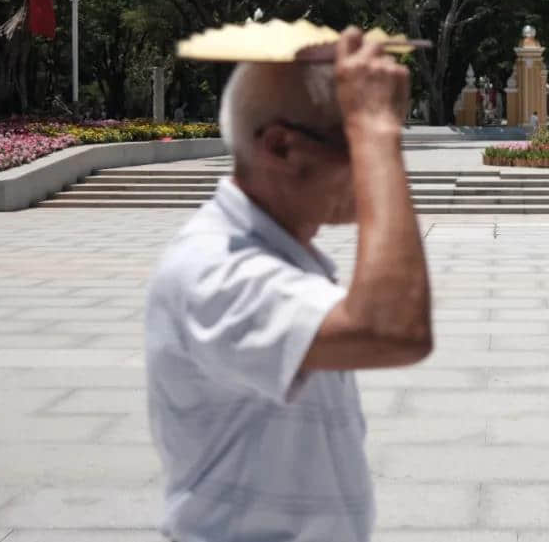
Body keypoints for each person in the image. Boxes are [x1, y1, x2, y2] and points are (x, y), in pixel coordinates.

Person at [145, 28, 432, 542]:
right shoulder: (215, 269)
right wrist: (376, 129)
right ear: (281, 146)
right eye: (357, 146)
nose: (373, 171)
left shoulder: (279, 255)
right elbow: (393, 327)